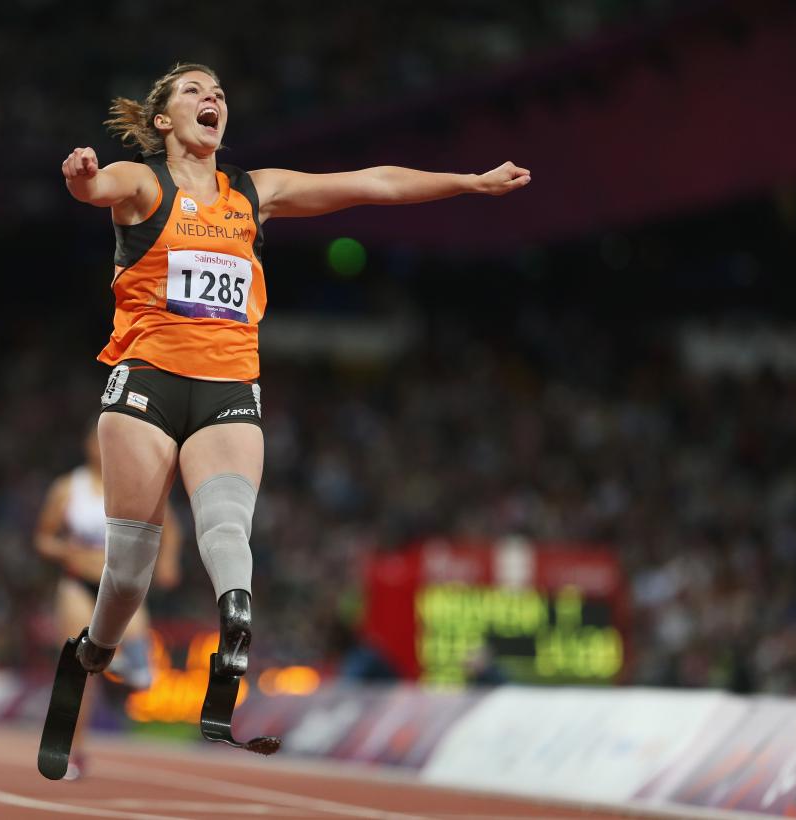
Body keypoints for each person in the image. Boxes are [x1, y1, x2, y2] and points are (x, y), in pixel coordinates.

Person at [59, 62, 529, 724]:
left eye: (220, 89)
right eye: (195, 90)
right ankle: (98, 645)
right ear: (164, 119)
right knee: (131, 569)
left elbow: (372, 183)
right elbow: (99, 186)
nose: (213, 96)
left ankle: (236, 617)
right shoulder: (144, 181)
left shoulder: (253, 192)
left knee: (226, 524)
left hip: (229, 386)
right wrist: (82, 179)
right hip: (146, 382)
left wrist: (466, 182)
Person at [34, 418, 181, 778]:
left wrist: (168, 562)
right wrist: (65, 551)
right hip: (78, 584)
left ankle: (125, 662)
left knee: (140, 663)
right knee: (76, 669)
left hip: (120, 586)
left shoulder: (136, 481)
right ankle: (71, 748)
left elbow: (171, 525)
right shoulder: (69, 487)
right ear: (88, 444)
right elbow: (43, 537)